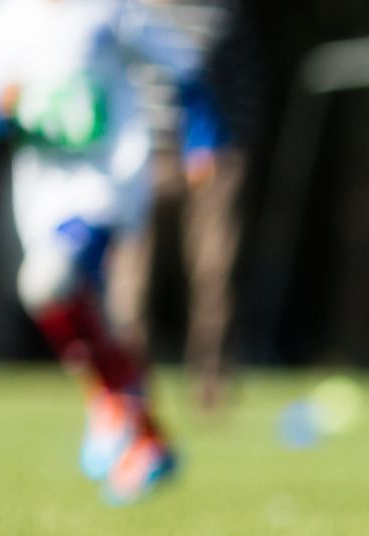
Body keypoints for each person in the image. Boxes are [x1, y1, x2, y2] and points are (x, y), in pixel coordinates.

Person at [0, 0, 220, 505]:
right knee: (73, 307)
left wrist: (203, 140)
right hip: (41, 195)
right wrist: (3, 106)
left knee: (48, 283)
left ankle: (114, 407)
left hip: (109, 184)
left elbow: (182, 65)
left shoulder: (108, 9)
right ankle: (141, 431)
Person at [107, 0, 261, 414]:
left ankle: (213, 383)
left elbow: (241, 82)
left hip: (215, 156)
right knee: (130, 278)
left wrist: (218, 145)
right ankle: (126, 389)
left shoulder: (221, 11)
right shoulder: (124, 9)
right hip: (142, 154)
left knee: (215, 272)